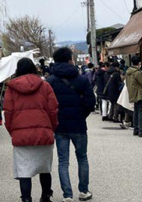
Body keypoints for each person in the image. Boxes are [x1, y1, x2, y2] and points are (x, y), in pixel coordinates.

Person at [4, 58, 59, 202]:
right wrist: (51, 127)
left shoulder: (11, 88)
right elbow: (53, 110)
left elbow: (8, 112)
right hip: (43, 132)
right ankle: (46, 196)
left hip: (21, 135)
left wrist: (12, 131)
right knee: (45, 168)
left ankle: (26, 199)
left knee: (24, 170)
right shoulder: (45, 86)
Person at [46, 47, 95, 202]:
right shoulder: (81, 79)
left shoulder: (50, 81)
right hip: (79, 125)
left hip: (60, 127)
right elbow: (90, 102)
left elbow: (47, 105)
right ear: (69, 60)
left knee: (63, 161)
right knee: (82, 158)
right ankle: (83, 191)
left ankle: (67, 195)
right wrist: (81, 115)